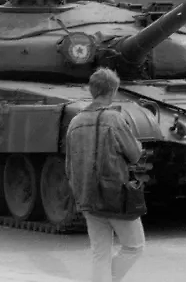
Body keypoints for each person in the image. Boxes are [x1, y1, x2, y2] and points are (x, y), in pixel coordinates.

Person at [65, 68, 145, 282]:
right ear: (113, 91)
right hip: (115, 194)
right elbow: (135, 155)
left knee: (100, 253)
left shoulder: (75, 122)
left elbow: (68, 165)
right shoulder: (114, 119)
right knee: (134, 246)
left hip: (86, 195)